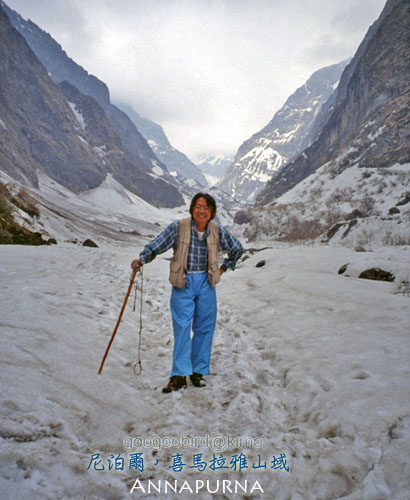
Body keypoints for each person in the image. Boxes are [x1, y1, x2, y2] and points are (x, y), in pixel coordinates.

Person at [131, 193, 244, 393]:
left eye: (207, 207)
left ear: (212, 212)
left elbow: (237, 249)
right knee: (182, 327)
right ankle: (179, 375)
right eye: (198, 206)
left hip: (206, 282)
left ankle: (197, 371)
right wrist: (142, 259)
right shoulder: (179, 227)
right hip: (183, 281)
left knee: (204, 327)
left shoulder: (217, 231)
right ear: (192, 209)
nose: (202, 211)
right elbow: (157, 245)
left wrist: (223, 268)